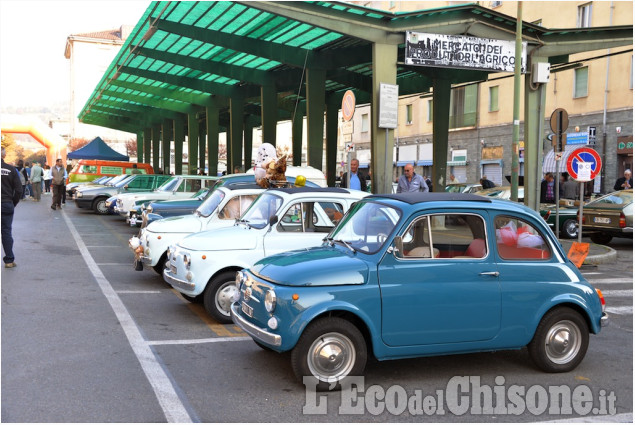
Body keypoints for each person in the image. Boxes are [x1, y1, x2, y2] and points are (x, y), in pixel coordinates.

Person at [1, 147, 23, 268]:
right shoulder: (11, 169)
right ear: (4, 156)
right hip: (6, 204)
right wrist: (12, 203)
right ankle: (9, 260)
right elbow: (19, 190)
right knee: (6, 232)